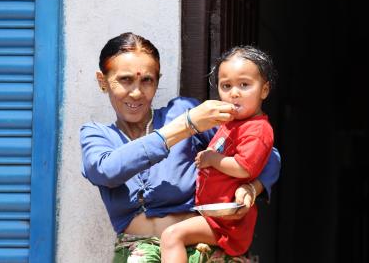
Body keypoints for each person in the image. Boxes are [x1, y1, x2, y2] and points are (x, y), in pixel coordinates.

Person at [79, 32, 281, 262]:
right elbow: (106, 171)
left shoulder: (181, 110)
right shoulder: (97, 135)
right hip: (138, 253)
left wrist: (253, 188)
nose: (136, 92)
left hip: (204, 249)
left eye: (147, 80)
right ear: (102, 81)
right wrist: (184, 127)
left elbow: (265, 153)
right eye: (125, 79)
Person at [160, 46, 277, 262]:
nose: (234, 93)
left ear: (264, 90)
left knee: (171, 236)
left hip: (228, 223)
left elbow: (244, 167)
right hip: (214, 216)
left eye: (244, 85)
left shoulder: (258, 129)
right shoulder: (230, 123)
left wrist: (212, 158)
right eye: (226, 86)